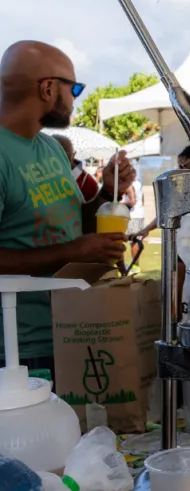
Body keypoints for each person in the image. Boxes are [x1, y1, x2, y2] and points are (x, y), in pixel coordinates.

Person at [0, 41, 134, 371]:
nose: (76, 99)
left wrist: (107, 192)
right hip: (18, 350)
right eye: (74, 88)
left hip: (71, 327)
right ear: (47, 88)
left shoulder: (51, 148)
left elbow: (75, 226)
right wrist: (72, 252)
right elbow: (72, 246)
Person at [132, 145, 190, 240]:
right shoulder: (182, 190)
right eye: (179, 167)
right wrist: (146, 229)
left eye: (183, 166)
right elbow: (167, 212)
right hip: (184, 242)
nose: (180, 171)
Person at [52, 134, 101, 204]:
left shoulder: (88, 184)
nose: (58, 156)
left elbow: (89, 209)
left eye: (64, 151)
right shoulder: (37, 173)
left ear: (73, 154)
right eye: (53, 151)